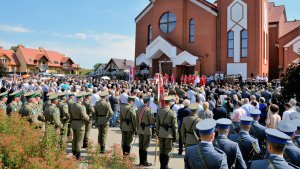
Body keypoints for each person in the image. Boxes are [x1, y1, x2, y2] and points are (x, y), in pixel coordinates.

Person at [156, 96, 178, 169]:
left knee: (161, 150)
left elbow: (157, 124)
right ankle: (165, 166)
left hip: (161, 133)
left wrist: (157, 133)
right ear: (170, 103)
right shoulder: (172, 113)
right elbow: (175, 126)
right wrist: (176, 136)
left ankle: (162, 166)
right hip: (169, 134)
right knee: (167, 150)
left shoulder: (159, 111)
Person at [69, 92, 89, 159]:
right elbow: (85, 116)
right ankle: (78, 154)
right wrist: (88, 118)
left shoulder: (72, 105)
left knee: (74, 139)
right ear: (81, 99)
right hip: (80, 124)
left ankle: (74, 152)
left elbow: (71, 115)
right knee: (79, 140)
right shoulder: (81, 107)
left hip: (74, 123)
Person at [136, 96, 154, 166]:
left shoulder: (139, 108)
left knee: (140, 145)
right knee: (145, 146)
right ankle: (144, 161)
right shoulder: (148, 109)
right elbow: (152, 120)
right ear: (148, 101)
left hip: (140, 128)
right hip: (146, 129)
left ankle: (141, 162)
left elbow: (137, 119)